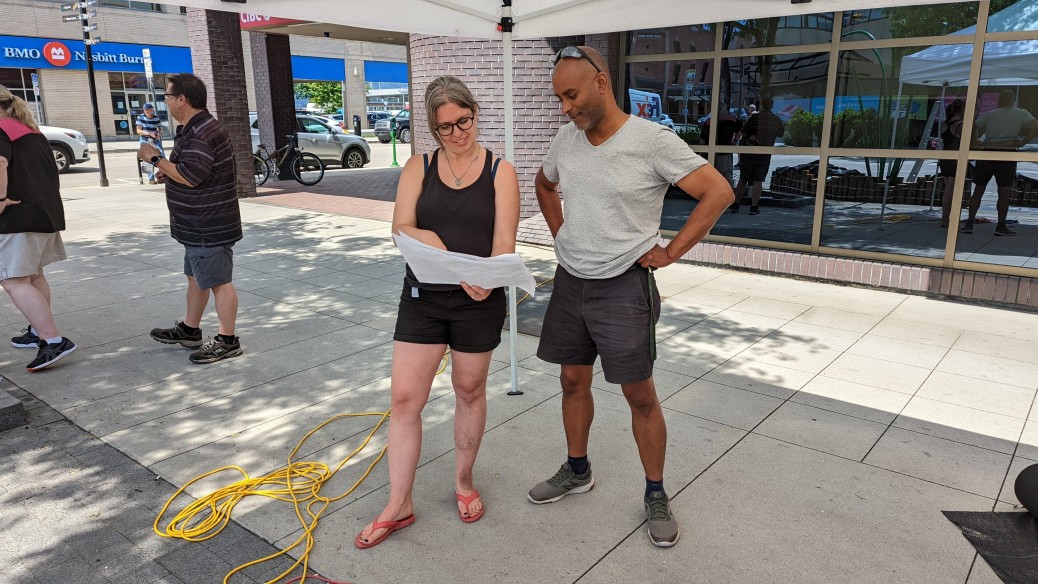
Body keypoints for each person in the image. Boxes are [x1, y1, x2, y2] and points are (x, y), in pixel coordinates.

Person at [530, 46, 733, 548]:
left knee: (639, 396)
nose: (565, 108)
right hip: (571, 280)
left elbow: (718, 192)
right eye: (559, 98)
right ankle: (577, 470)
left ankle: (656, 492)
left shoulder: (652, 141)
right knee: (572, 382)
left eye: (571, 95)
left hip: (625, 285)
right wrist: (561, 235)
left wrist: (671, 252)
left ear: (601, 83)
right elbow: (543, 183)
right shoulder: (565, 138)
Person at [355, 76, 520, 549]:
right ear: (432, 128)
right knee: (405, 400)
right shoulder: (417, 167)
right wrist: (442, 249)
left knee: (468, 390)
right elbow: (400, 227)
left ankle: (464, 482)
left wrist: (484, 276)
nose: (456, 133)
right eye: (444, 127)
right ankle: (398, 503)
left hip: (478, 299)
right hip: (423, 296)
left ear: (474, 112)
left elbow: (503, 244)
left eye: (462, 121)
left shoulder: (499, 171)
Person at [138, 73, 244, 364]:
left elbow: (190, 176)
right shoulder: (195, 128)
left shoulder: (201, 131)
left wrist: (155, 159)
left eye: (168, 97)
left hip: (207, 224)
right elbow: (190, 168)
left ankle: (227, 340)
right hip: (196, 223)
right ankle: (190, 329)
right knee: (196, 277)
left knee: (219, 281)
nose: (166, 102)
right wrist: (168, 170)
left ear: (182, 99)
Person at [0, 85, 77, 372]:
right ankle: (37, 331)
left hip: (17, 219)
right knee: (32, 275)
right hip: (43, 214)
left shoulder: (2, 129)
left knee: (13, 280)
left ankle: (52, 340)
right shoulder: (29, 130)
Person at [961, 90, 1038, 236]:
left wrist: (975, 141)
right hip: (1007, 150)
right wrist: (1023, 142)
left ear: (1000, 100)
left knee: (979, 189)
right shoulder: (1021, 113)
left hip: (988, 150)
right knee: (1003, 191)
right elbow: (1035, 125)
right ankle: (1001, 225)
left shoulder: (991, 114)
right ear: (1014, 100)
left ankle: (969, 223)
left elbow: (973, 126)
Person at [730, 97, 784, 215]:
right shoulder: (776, 119)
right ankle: (754, 207)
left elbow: (744, 132)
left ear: (762, 106)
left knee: (743, 179)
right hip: (764, 155)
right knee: (758, 181)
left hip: (749, 154)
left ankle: (736, 204)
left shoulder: (754, 117)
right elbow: (780, 133)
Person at [938, 99, 966, 228]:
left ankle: (945, 218)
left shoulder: (944, 123)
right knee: (952, 191)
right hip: (955, 159)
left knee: (947, 189)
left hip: (944, 157)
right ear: (961, 110)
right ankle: (948, 219)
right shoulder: (960, 125)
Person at [714, 102, 741, 188]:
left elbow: (703, 139)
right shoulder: (732, 120)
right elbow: (740, 130)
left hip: (718, 150)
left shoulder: (712, 121)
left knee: (723, 172)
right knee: (725, 172)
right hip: (724, 149)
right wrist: (735, 141)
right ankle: (730, 191)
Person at [136, 103, 164, 184]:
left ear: (152, 110)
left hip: (155, 140)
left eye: (149, 109)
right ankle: (151, 178)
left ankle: (163, 175)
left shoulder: (156, 118)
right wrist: (148, 133)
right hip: (144, 139)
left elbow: (160, 129)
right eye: (146, 110)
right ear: (144, 110)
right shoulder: (140, 117)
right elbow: (138, 131)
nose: (148, 111)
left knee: (162, 155)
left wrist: (159, 133)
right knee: (148, 157)